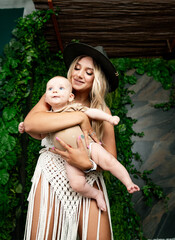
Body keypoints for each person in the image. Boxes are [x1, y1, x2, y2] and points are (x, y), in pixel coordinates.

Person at [21, 42, 138, 240]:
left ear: (97, 79)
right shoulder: (55, 95)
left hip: (89, 180)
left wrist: (88, 164)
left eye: (88, 72)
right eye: (76, 68)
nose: (79, 74)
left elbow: (110, 158)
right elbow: (31, 124)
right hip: (51, 173)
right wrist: (80, 117)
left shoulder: (103, 112)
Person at [19, 76, 139, 212]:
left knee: (109, 161)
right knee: (77, 184)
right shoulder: (47, 117)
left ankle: (128, 183)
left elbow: (92, 112)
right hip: (69, 158)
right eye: (50, 89)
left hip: (89, 146)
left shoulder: (73, 108)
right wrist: (27, 131)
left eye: (60, 88)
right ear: (45, 98)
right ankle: (96, 194)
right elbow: (40, 135)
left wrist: (109, 118)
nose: (55, 91)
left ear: (70, 97)